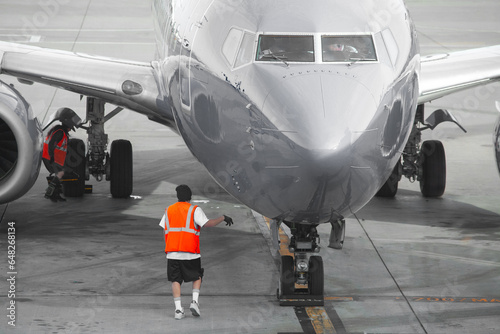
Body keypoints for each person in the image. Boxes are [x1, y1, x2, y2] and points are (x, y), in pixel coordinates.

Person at [159, 184, 234, 320]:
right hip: (190, 252)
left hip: (172, 252)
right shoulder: (194, 210)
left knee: (175, 280)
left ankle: (178, 310)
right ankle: (194, 302)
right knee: (197, 275)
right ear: (190, 197)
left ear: (178, 197)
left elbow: (165, 228)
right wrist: (223, 217)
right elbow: (207, 223)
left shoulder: (168, 210)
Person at [42, 108, 82, 202]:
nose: (70, 129)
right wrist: (52, 158)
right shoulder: (60, 132)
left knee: (60, 175)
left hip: (54, 158)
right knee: (59, 174)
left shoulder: (60, 131)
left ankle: (55, 195)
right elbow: (52, 144)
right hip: (50, 157)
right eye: (70, 127)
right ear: (68, 125)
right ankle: (49, 193)